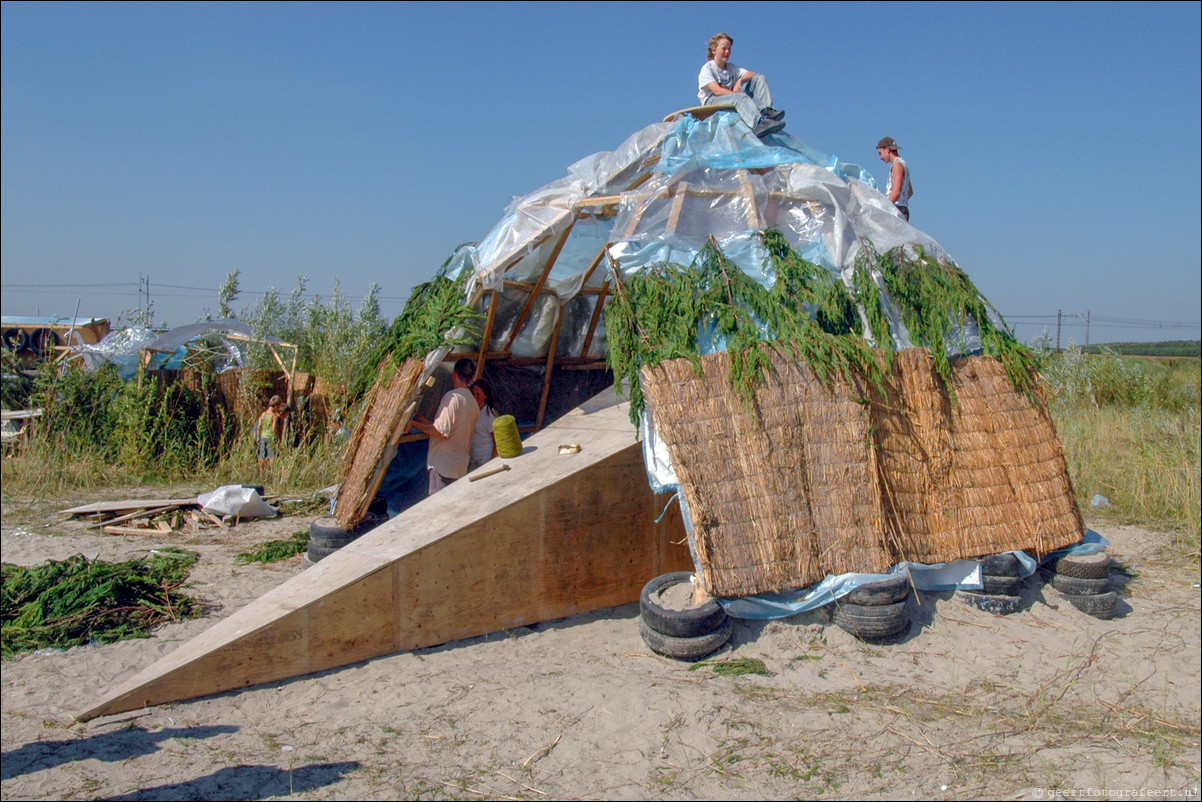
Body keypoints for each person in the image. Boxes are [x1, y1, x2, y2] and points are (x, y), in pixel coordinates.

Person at [408, 358, 480, 495]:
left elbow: (440, 431)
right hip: (458, 468)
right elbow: (451, 428)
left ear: (455, 374)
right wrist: (424, 421)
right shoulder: (473, 403)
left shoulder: (452, 398)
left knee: (438, 511)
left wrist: (413, 424)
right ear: (471, 377)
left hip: (443, 467)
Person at [698, 32, 786, 138]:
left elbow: (752, 74)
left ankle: (766, 111)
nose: (727, 52)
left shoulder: (732, 68)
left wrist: (740, 80)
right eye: (724, 48)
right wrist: (735, 94)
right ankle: (758, 124)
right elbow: (716, 91)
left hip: (732, 99)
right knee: (740, 97)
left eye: (729, 49)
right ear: (714, 50)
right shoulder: (708, 68)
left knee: (759, 78)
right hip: (713, 102)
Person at [876, 136, 913, 220]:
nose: (880, 157)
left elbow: (896, 191)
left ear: (887, 149)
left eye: (880, 153)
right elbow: (910, 191)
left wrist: (885, 209)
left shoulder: (897, 165)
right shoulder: (903, 164)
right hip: (901, 208)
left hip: (896, 208)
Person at [468, 378, 499, 473]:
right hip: (473, 460)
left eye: (478, 394)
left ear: (485, 395)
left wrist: (492, 463)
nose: (475, 397)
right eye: (473, 394)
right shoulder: (471, 412)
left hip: (485, 460)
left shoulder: (490, 413)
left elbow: (497, 440)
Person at [253, 395, 287, 471]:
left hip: (263, 437)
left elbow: (259, 427)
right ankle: (272, 471)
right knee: (272, 456)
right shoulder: (274, 416)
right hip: (271, 438)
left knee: (262, 456)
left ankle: (262, 472)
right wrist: (278, 439)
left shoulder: (263, 414)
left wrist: (258, 437)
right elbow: (274, 429)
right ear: (275, 406)